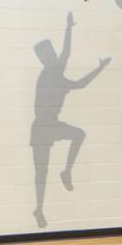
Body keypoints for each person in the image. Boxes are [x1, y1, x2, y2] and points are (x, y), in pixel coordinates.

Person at [30, 12, 111, 228]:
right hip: (41, 128)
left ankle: (66, 171)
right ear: (43, 59)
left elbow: (77, 76)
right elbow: (67, 55)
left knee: (79, 134)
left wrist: (99, 68)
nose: (52, 57)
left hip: (52, 124)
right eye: (46, 55)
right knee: (42, 171)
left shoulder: (56, 74)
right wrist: (68, 28)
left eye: (50, 53)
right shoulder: (50, 75)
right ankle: (39, 207)